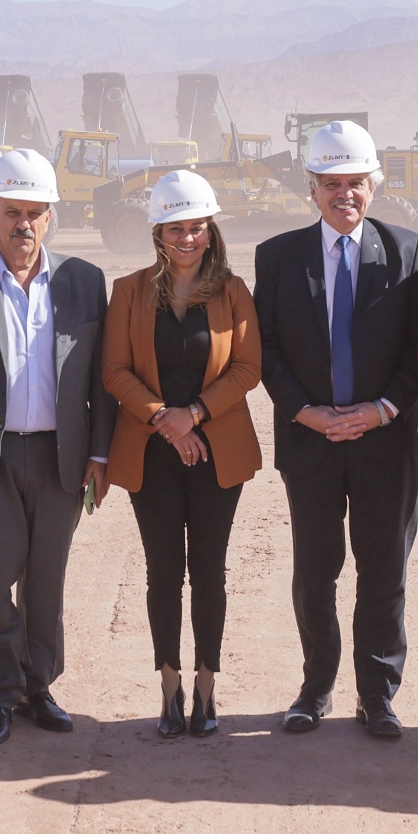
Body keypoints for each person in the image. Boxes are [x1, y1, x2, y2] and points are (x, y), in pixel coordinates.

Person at [0, 148, 116, 748]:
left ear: (51, 218)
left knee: (47, 578)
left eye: (35, 214)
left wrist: (101, 453)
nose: (23, 225)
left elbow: (103, 379)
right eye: (13, 212)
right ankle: (0, 691)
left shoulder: (84, 282)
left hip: (63, 456)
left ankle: (39, 687)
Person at [252, 119, 418, 738]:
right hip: (312, 442)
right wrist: (305, 411)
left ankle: (378, 695)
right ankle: (317, 686)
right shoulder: (276, 257)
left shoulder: (407, 250)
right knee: (315, 569)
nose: (344, 195)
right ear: (312, 187)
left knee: (384, 569)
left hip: (386, 441)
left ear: (374, 185)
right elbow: (266, 347)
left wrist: (381, 410)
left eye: (355, 183)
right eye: (332, 183)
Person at [101, 170, 263, 737]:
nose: (187, 238)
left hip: (216, 450)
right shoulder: (129, 290)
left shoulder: (233, 292)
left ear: (211, 229)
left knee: (210, 573)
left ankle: (206, 687)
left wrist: (192, 415)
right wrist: (164, 420)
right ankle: (169, 687)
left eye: (197, 227)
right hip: (153, 452)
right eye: (176, 228)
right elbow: (115, 370)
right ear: (158, 232)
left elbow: (248, 368)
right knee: (163, 572)